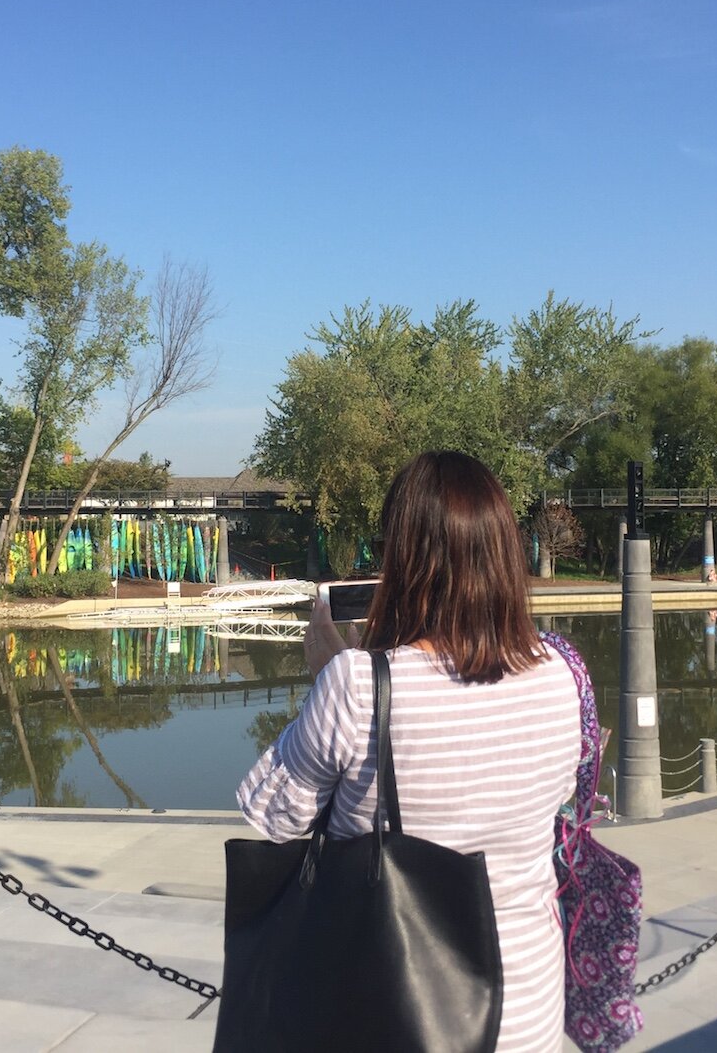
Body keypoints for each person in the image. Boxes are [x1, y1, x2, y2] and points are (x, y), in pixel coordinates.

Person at [238, 451, 583, 1052]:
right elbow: (555, 802)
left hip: (395, 1011)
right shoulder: (561, 675)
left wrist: (327, 676)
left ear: (401, 558)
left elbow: (272, 818)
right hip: (526, 1011)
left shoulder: (356, 684)